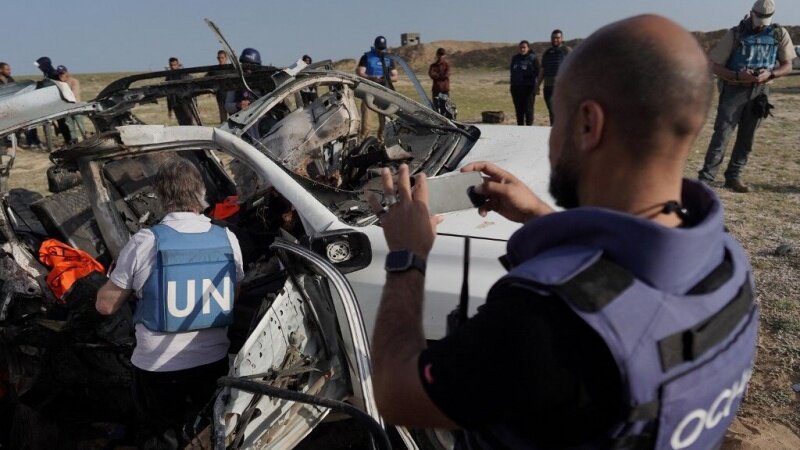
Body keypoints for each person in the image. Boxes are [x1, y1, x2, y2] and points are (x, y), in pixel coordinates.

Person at [368, 14, 759, 449]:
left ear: (588, 124)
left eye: (558, 120)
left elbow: (395, 392)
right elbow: (631, 281)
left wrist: (408, 255)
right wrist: (539, 215)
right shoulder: (728, 264)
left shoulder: (546, 322)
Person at [96, 158, 244, 449]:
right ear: (201, 192)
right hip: (213, 361)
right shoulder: (227, 237)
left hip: (158, 368)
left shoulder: (145, 241)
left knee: (160, 435)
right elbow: (233, 293)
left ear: (161, 196)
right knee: (208, 432)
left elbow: (105, 306)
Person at [698, 0, 795, 193]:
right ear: (751, 13)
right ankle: (705, 179)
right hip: (733, 90)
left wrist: (771, 74)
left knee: (747, 138)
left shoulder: (778, 33)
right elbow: (714, 65)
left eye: (765, 19)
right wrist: (736, 75)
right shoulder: (735, 34)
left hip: (760, 93)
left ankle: (733, 176)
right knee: (722, 136)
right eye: (759, 17)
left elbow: (788, 65)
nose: (761, 22)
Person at [356, 36, 398, 142]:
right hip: (369, 91)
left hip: (384, 92)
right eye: (379, 48)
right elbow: (360, 72)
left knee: (384, 121)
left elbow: (395, 76)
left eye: (382, 48)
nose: (381, 50)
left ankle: (382, 141)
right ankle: (362, 141)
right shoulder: (366, 57)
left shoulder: (389, 58)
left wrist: (386, 78)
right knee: (366, 122)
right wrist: (372, 78)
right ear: (375, 46)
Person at [538, 29, 571, 125]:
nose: (555, 40)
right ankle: (553, 130)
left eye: (557, 38)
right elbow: (542, 70)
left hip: (562, 87)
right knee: (551, 111)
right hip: (548, 86)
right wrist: (537, 86)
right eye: (553, 38)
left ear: (562, 39)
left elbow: (574, 66)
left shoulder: (566, 50)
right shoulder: (547, 52)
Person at [509, 40, 539, 125]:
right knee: (519, 110)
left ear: (528, 48)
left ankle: (529, 129)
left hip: (529, 88)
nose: (522, 49)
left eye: (524, 47)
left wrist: (537, 86)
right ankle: (520, 128)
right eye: (521, 47)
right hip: (516, 88)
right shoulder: (515, 58)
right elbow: (512, 72)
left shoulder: (533, 58)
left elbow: (539, 72)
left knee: (528, 109)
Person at [224, 48, 262, 115]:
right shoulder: (235, 82)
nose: (248, 70)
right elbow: (227, 106)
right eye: (246, 65)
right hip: (241, 119)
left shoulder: (264, 81)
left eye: (252, 65)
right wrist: (238, 105)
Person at [56, 65, 87, 139]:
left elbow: (74, 93)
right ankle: (74, 142)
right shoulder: (59, 84)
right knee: (70, 128)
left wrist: (63, 98)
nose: (61, 75)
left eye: (62, 73)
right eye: (59, 74)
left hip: (76, 107)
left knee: (81, 126)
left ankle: (86, 139)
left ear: (66, 73)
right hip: (66, 109)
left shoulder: (74, 81)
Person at [206, 50, 230, 123]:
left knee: (234, 114)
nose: (220, 59)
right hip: (220, 95)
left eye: (222, 58)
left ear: (226, 58)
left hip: (231, 95)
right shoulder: (214, 70)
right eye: (219, 58)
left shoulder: (231, 68)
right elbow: (205, 79)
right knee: (223, 117)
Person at [428, 48, 452, 117]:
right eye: (440, 54)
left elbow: (447, 75)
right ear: (437, 55)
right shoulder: (433, 66)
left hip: (444, 90)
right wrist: (441, 76)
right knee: (436, 108)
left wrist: (438, 76)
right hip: (436, 90)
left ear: (445, 55)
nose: (441, 56)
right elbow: (431, 74)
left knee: (445, 107)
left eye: (442, 54)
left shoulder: (447, 65)